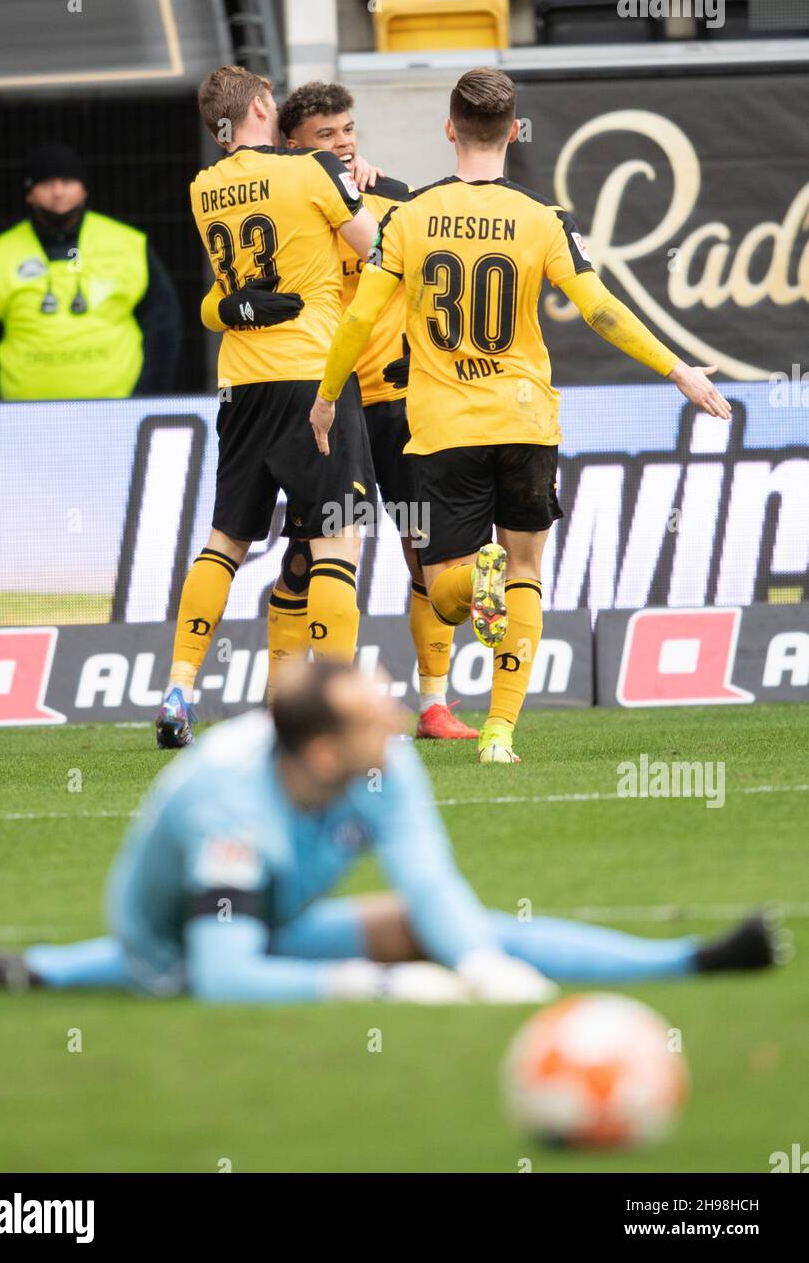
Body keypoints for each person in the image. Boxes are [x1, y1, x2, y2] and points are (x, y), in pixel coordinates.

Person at [310, 68, 733, 764]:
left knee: (441, 587)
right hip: (525, 420)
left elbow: (359, 317)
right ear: (513, 130)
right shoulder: (544, 220)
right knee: (527, 572)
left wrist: (327, 396)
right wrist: (678, 368)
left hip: (443, 428)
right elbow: (600, 309)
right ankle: (500, 733)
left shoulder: (408, 217)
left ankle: (473, 580)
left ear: (449, 128)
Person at [0, 660, 779, 1004]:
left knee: (424, 926)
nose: (395, 718)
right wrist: (381, 987)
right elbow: (221, 974)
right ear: (323, 750)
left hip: (270, 910)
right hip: (175, 943)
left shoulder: (382, 761)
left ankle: (691, 961)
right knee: (189, 961)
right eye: (372, 712)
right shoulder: (227, 809)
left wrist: (481, 965)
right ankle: (44, 974)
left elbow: (431, 885)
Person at [155, 66, 379, 750]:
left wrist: (220, 307)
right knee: (337, 536)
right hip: (314, 376)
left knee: (227, 538)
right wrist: (353, 184)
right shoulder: (312, 169)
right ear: (260, 105)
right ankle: (337, 706)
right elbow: (377, 248)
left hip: (241, 383)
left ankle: (179, 687)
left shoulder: (203, 189)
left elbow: (229, 290)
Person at [271, 80, 477, 742]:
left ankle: (434, 704)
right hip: (324, 407)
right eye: (324, 135)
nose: (342, 143)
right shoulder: (285, 214)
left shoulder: (394, 198)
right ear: (291, 146)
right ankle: (294, 708)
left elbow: (435, 289)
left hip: (397, 403)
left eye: (347, 130)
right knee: (311, 554)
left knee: (424, 552)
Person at [0, 143, 181, 399]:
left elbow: (163, 327)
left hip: (118, 418)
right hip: (20, 424)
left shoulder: (128, 244)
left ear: (84, 190)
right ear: (28, 193)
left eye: (67, 181)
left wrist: (148, 399)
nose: (58, 192)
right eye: (46, 183)